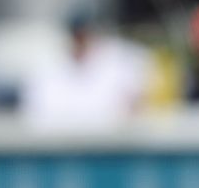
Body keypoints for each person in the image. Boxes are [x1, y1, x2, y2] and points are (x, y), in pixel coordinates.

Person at [19, 10, 151, 131]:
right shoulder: (49, 67)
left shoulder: (121, 61)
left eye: (85, 34)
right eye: (78, 35)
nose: (82, 39)